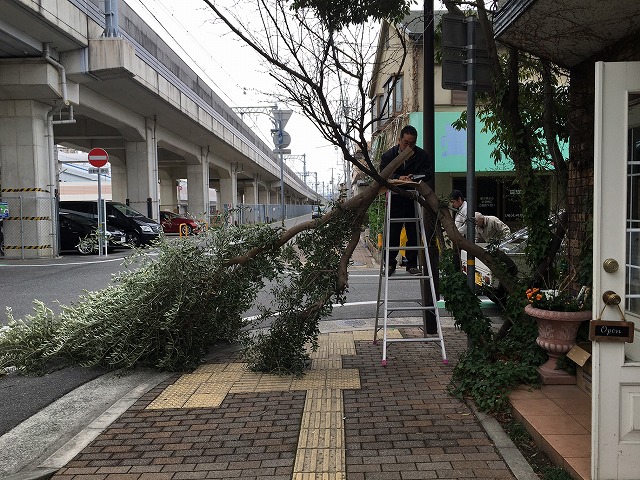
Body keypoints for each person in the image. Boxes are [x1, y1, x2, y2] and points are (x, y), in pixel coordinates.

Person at [379, 125, 431, 275]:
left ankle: (412, 264)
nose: (408, 146)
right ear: (399, 140)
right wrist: (398, 178)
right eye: (405, 143)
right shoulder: (389, 156)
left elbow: (427, 173)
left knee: (413, 231)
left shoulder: (421, 155)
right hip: (395, 197)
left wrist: (413, 177)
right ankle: (389, 264)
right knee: (393, 232)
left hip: (412, 196)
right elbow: (383, 175)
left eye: (412, 143)